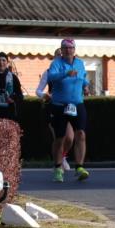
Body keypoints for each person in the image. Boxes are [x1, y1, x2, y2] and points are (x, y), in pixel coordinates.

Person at [46, 38, 91, 182]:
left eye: (70, 48)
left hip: (77, 103)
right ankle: (58, 167)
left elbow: (83, 76)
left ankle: (79, 167)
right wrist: (65, 74)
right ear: (61, 50)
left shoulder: (80, 63)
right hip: (60, 105)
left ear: (74, 50)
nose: (68, 50)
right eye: (65, 48)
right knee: (60, 138)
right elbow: (51, 77)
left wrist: (86, 86)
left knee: (81, 134)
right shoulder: (56, 63)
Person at [36, 48, 73, 170]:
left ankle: (62, 156)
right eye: (58, 55)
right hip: (54, 107)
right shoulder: (48, 72)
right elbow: (38, 91)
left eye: (62, 55)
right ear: (55, 57)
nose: (61, 57)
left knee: (70, 138)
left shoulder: (71, 71)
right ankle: (57, 164)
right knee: (59, 137)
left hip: (68, 107)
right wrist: (45, 95)